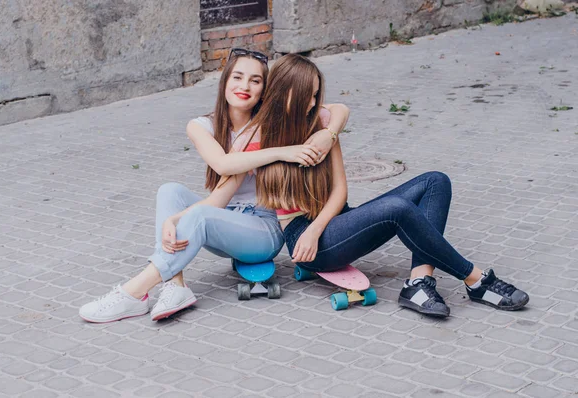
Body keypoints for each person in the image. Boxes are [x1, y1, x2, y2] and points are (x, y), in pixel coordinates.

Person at [79, 48, 349, 322]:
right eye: (237, 77)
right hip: (224, 217)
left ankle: (133, 292)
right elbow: (223, 165)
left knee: (199, 215)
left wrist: (329, 134)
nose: (244, 86)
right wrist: (173, 219)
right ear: (224, 82)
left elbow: (337, 109)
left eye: (255, 81)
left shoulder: (271, 122)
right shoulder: (203, 126)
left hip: (262, 228)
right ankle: (175, 284)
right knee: (169, 190)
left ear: (267, 90)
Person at [253, 54, 529, 317]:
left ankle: (419, 284)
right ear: (284, 92)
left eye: (316, 95)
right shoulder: (260, 135)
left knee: (436, 181)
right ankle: (477, 281)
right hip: (305, 240)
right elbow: (224, 162)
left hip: (336, 221)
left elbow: (340, 191)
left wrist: (329, 134)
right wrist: (311, 233)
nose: (313, 103)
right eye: (306, 96)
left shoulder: (321, 127)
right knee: (396, 208)